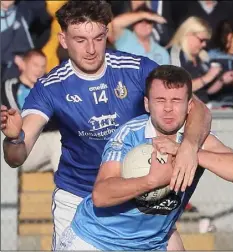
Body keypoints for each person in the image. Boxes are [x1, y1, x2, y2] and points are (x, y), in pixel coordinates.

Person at [0, 1, 211, 249]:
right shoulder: (50, 87)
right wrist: (14, 138)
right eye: (80, 40)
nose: (91, 49)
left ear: (107, 35)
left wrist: (188, 145)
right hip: (79, 199)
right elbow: (17, 156)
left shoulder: (136, 69)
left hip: (135, 195)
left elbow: (199, 109)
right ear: (63, 40)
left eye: (98, 38)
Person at [56, 65, 233, 251]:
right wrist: (152, 181)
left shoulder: (196, 139)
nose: (168, 108)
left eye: (176, 100)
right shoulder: (129, 135)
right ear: (147, 104)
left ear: (189, 105)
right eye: (160, 100)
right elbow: (101, 195)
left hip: (148, 245)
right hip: (95, 240)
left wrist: (188, 153)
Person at [1, 49, 61, 173]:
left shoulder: (47, 90)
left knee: (61, 140)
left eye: (42, 66)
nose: (39, 70)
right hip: (16, 147)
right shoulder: (9, 87)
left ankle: (69, 189)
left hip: (41, 146)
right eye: (35, 65)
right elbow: (16, 119)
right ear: (23, 65)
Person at [167, 16, 233, 104]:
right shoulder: (175, 54)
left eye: (206, 41)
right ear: (188, 34)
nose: (204, 44)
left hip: (204, 106)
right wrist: (207, 77)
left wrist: (221, 80)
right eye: (202, 40)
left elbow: (207, 91)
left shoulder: (202, 56)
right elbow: (177, 87)